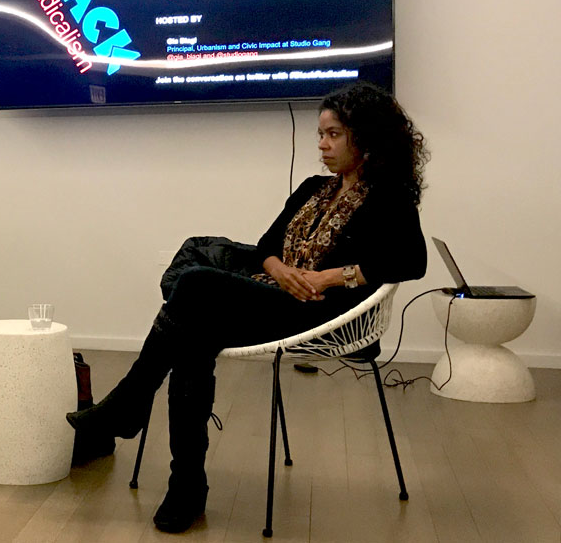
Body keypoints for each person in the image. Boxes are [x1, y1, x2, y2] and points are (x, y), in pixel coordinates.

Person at [67, 82, 428, 533]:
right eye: (320, 134)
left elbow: (412, 261)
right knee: (193, 335)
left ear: (367, 137)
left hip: (323, 313)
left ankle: (128, 409)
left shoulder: (387, 197)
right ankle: (186, 483)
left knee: (195, 285)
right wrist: (279, 270)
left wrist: (327, 276)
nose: (322, 144)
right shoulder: (314, 189)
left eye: (333, 134)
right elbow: (265, 249)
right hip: (274, 296)